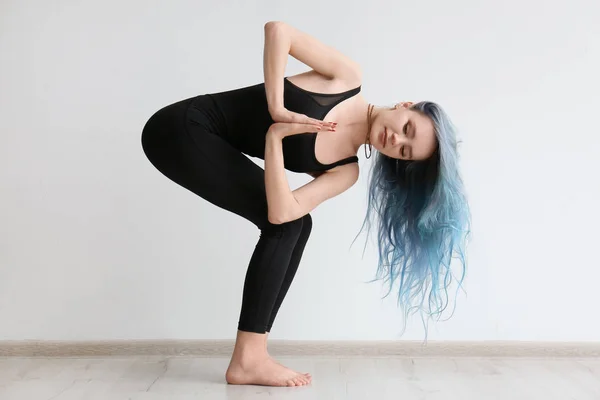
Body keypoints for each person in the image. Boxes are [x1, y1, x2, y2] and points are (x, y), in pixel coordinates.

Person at [141, 21, 471, 387]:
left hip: (201, 143)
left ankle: (251, 356)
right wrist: (278, 108)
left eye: (404, 150)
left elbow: (282, 212)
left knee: (296, 224)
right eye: (407, 127)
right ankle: (249, 359)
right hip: (180, 128)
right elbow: (278, 31)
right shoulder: (347, 78)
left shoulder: (346, 171)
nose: (395, 139)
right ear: (406, 105)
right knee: (288, 227)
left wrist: (275, 139)